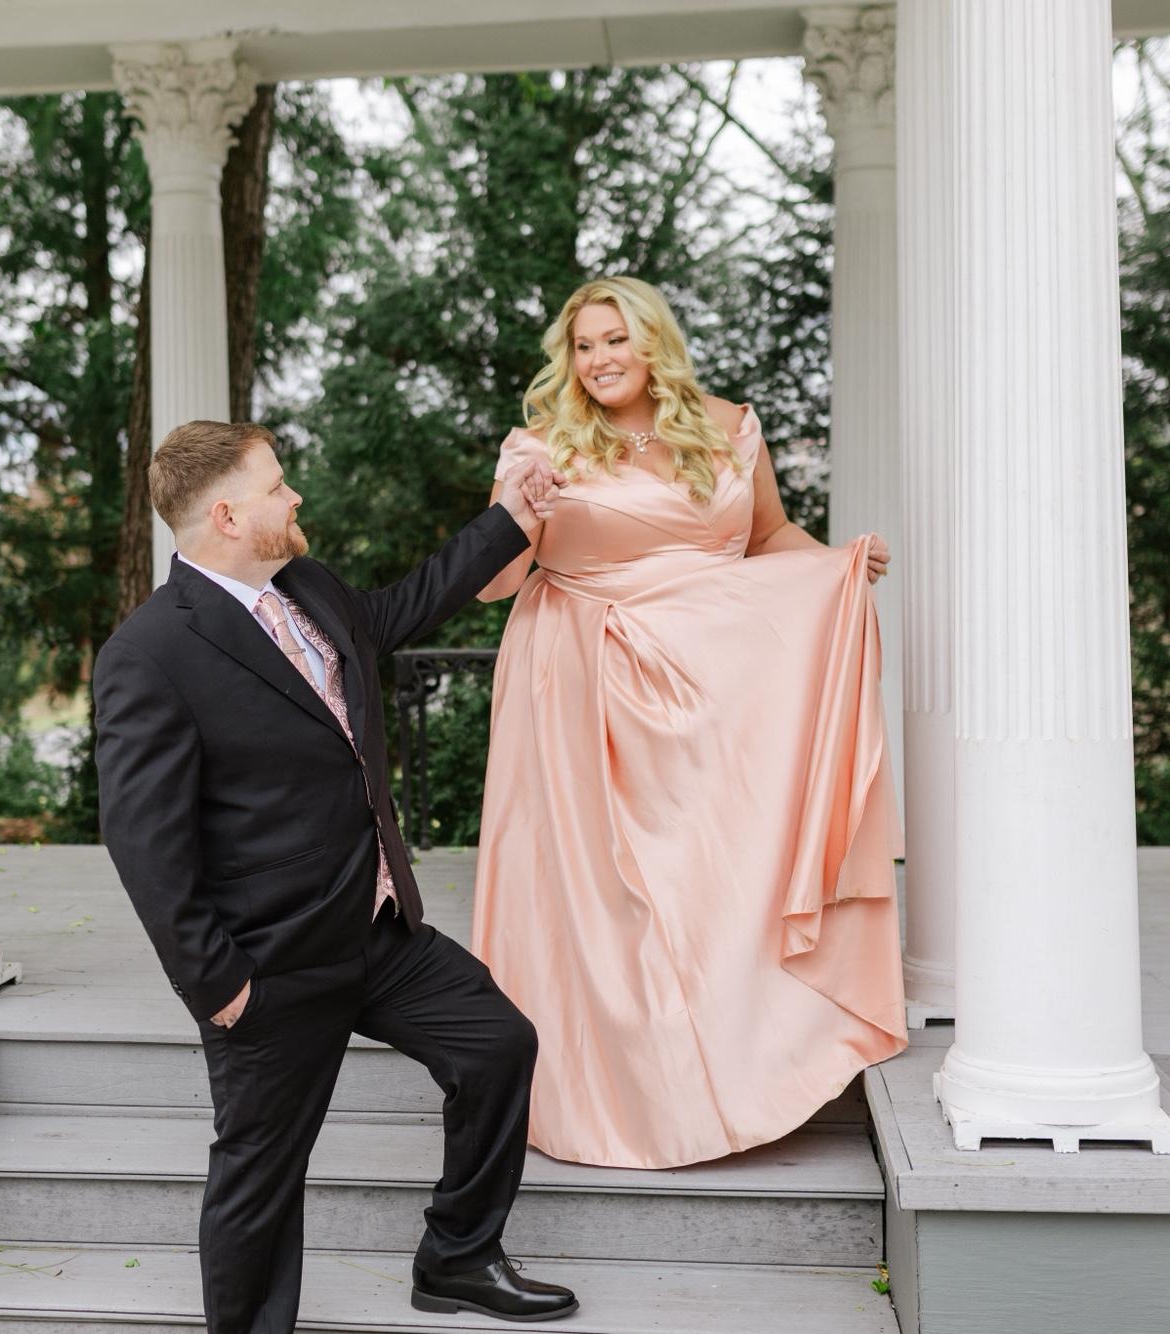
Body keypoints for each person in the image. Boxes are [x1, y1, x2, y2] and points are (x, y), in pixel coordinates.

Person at [94, 419, 578, 1332]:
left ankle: (458, 1258)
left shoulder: (306, 586)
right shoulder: (149, 654)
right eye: (277, 486)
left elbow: (402, 608)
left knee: (497, 1045)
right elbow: (145, 844)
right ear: (228, 515)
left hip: (380, 930)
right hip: (271, 964)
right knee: (260, 1177)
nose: (295, 496)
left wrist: (511, 518)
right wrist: (218, 985)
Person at [471, 276, 909, 1170]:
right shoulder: (542, 445)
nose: (598, 360)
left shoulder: (728, 427)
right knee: (616, 895)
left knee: (718, 877)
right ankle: (631, 1089)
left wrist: (835, 570)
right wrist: (520, 509)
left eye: (614, 340)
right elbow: (494, 584)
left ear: (653, 342)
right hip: (586, 682)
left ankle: (749, 1067)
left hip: (720, 684)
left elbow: (771, 536)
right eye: (583, 346)